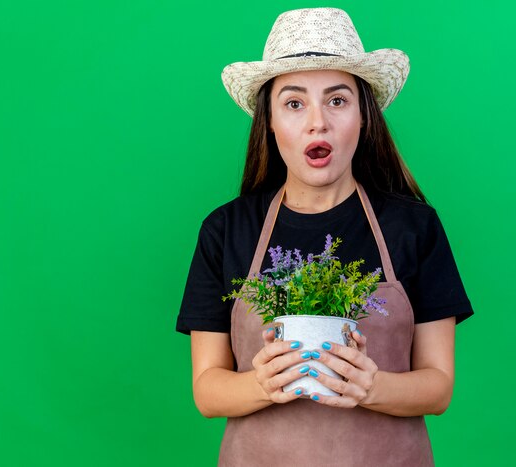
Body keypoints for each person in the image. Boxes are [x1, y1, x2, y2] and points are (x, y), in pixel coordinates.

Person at [176, 8, 473, 466]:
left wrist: (372, 386)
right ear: (270, 123)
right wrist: (261, 384)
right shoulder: (226, 231)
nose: (318, 122)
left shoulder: (414, 228)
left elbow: (438, 386)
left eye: (337, 100)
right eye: (294, 103)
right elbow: (207, 391)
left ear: (363, 116)